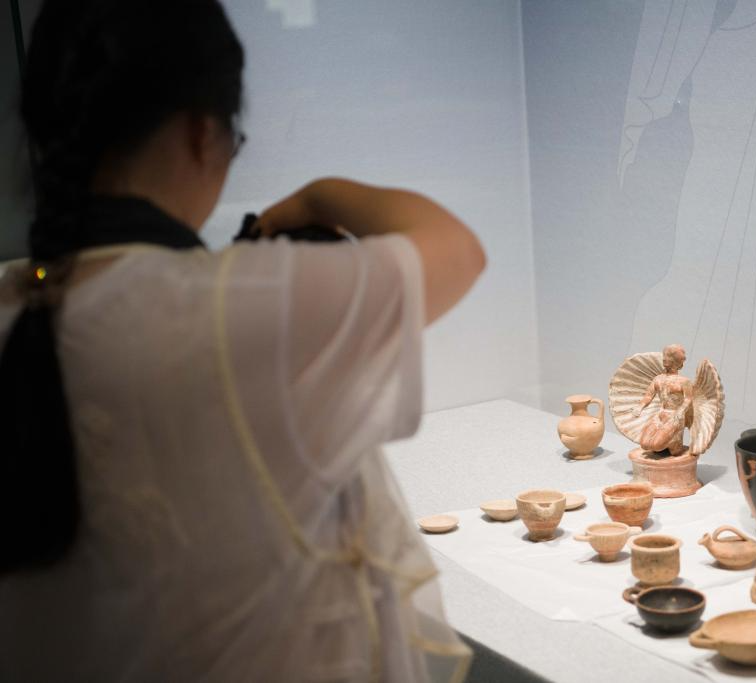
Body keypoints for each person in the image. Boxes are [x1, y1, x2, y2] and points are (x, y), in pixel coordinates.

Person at [0, 1, 484, 680]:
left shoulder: (19, 300)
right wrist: (318, 197)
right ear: (203, 132)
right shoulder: (232, 307)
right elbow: (456, 249)